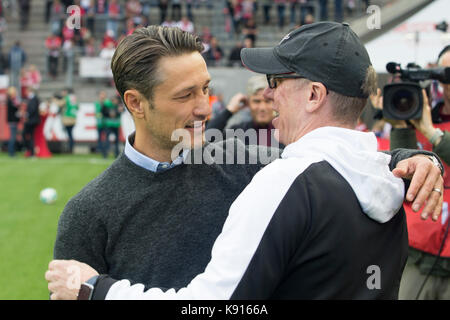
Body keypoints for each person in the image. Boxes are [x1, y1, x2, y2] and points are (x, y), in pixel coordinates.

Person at [45, 25, 444, 300]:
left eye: (206, 89)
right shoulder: (88, 212)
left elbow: (334, 164)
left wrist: (411, 159)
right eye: (186, 95)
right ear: (135, 103)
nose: (205, 107)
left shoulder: (253, 165)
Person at [375, 46, 450, 300]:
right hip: (420, 253)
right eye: (446, 75)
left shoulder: (428, 126)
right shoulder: (422, 115)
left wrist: (431, 133)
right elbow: (401, 174)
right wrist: (401, 125)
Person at [207, 75, 279, 148]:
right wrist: (229, 111)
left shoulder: (285, 134)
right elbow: (208, 138)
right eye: (257, 101)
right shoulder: (238, 133)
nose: (262, 108)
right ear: (248, 103)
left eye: (267, 101)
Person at [22, 87, 40, 157]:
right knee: (28, 136)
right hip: (32, 120)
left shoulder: (34, 99)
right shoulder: (32, 99)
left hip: (31, 121)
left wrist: (26, 115)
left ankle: (30, 151)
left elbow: (32, 109)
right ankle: (30, 151)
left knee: (27, 135)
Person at [6, 86, 21, 157]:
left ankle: (12, 152)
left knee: (13, 137)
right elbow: (15, 109)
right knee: (13, 137)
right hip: (13, 121)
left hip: (13, 121)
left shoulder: (11, 101)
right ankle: (11, 152)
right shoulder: (10, 101)